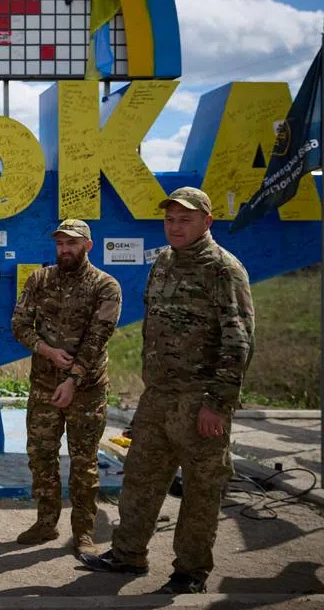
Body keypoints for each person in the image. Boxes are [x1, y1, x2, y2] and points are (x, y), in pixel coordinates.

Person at [78, 187, 254, 595]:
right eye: (170, 220)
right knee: (140, 479)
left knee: (200, 490)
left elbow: (239, 342)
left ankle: (190, 571)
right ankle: (127, 555)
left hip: (200, 401)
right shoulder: (163, 263)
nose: (175, 227)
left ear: (206, 223)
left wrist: (217, 404)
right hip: (157, 397)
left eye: (185, 220)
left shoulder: (224, 270)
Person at [11, 219, 121, 553]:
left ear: (88, 246)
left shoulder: (106, 286)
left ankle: (84, 532)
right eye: (60, 243)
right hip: (44, 384)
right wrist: (45, 350)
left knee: (83, 461)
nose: (64, 250)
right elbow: (19, 324)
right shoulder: (40, 279)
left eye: (71, 244)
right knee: (41, 456)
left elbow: (98, 338)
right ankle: (46, 524)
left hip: (86, 390)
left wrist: (74, 377)